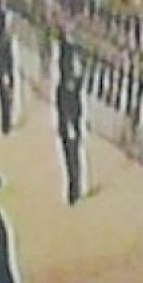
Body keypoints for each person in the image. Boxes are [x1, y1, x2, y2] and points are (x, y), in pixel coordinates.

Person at [53, 45, 87, 203]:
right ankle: (74, 188)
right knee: (71, 159)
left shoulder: (68, 88)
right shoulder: (64, 90)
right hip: (68, 128)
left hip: (71, 128)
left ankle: (75, 188)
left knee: (74, 158)